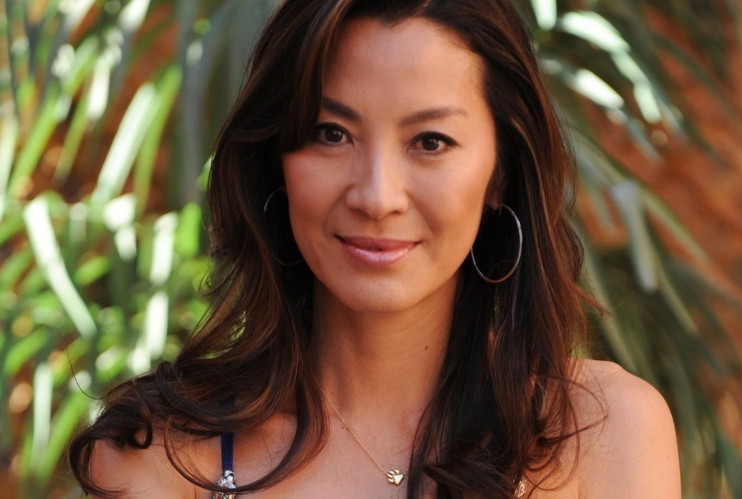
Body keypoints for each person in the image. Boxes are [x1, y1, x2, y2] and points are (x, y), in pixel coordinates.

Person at [69, 0, 681, 497]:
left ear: (500, 174)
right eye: (331, 133)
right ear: (277, 159)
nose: (377, 197)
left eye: (431, 141)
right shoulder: (159, 458)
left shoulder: (609, 431)